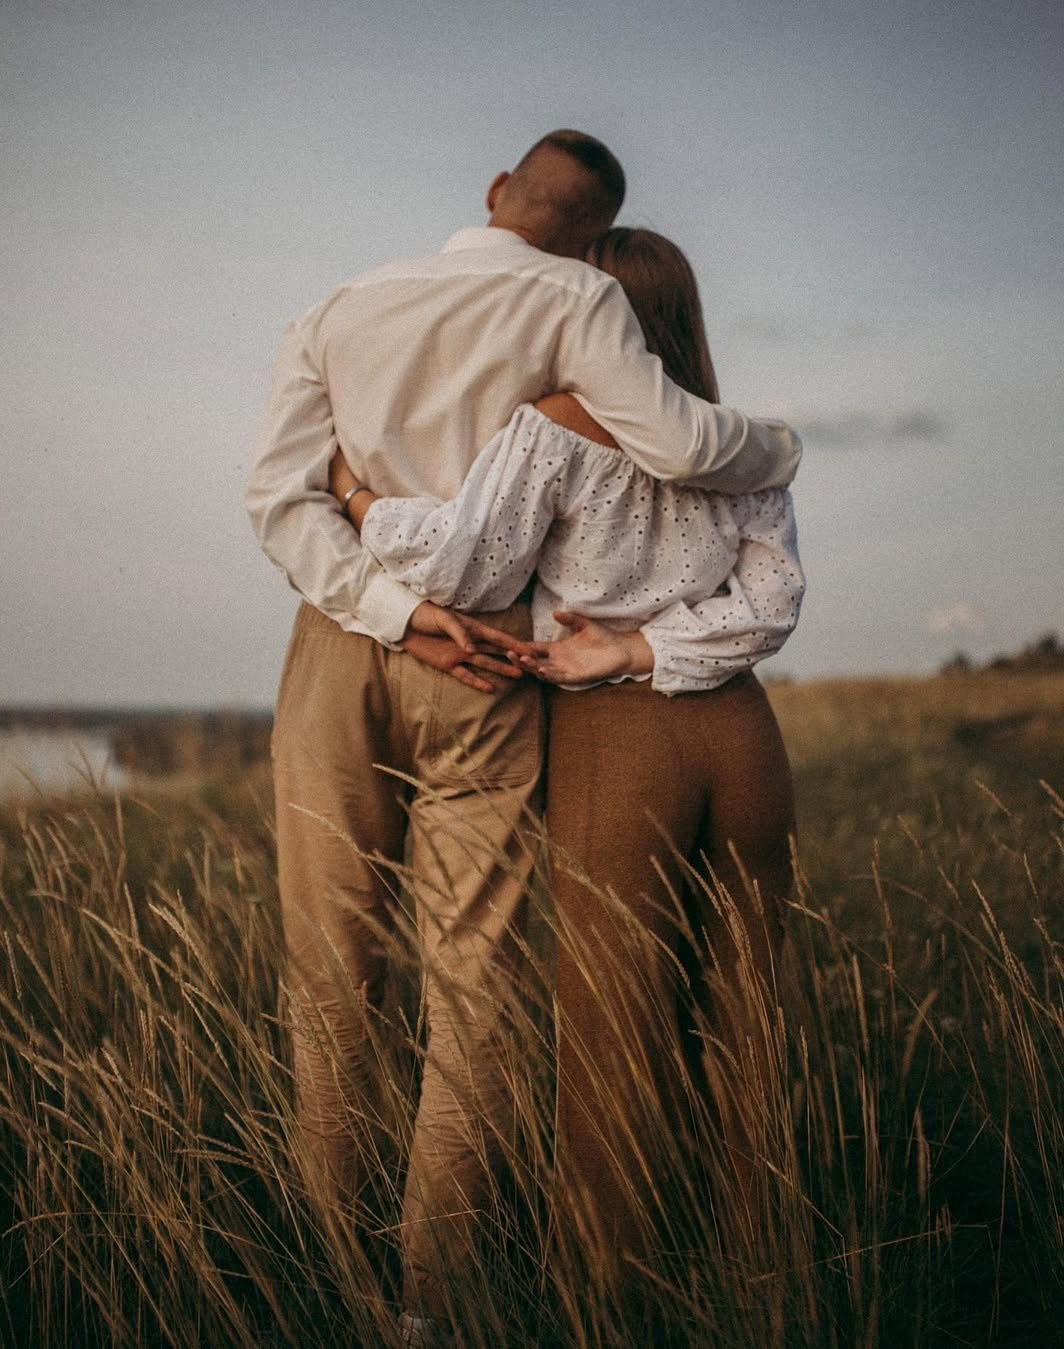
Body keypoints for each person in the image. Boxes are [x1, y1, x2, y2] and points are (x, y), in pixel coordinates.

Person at [246, 131, 800, 1335]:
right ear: (593, 226)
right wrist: (779, 444)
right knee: (477, 975)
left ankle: (329, 1269)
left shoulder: (342, 303)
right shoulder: (581, 299)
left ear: (498, 192)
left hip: (340, 633)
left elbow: (273, 495)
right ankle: (435, 1300)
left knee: (329, 966)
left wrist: (375, 568)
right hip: (487, 658)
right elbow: (681, 444)